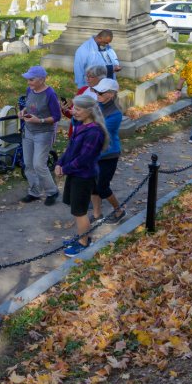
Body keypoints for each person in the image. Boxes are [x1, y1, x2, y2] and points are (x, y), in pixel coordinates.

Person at [53, 95, 108, 258]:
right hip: (74, 174)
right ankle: (82, 237)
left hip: (83, 176)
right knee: (76, 209)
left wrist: (65, 169)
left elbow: (85, 158)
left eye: (77, 109)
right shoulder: (80, 125)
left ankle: (83, 244)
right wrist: (59, 163)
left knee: (80, 212)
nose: (73, 111)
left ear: (89, 111)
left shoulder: (94, 132)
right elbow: (70, 149)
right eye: (74, 107)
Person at [18, 65, 62, 206]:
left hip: (43, 133)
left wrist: (40, 120)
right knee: (29, 164)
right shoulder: (30, 90)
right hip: (29, 131)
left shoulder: (50, 94)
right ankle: (34, 192)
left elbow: (56, 116)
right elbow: (29, 105)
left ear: (42, 80)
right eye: (28, 79)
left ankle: (52, 191)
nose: (29, 82)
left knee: (39, 165)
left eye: (31, 79)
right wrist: (23, 111)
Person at [91, 78, 125, 224]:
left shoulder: (116, 113)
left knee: (102, 187)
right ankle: (97, 214)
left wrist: (85, 120)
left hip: (109, 154)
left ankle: (119, 210)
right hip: (94, 153)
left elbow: (100, 130)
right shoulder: (96, 105)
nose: (97, 93)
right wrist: (75, 116)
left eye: (101, 92)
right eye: (96, 90)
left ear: (111, 94)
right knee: (93, 185)